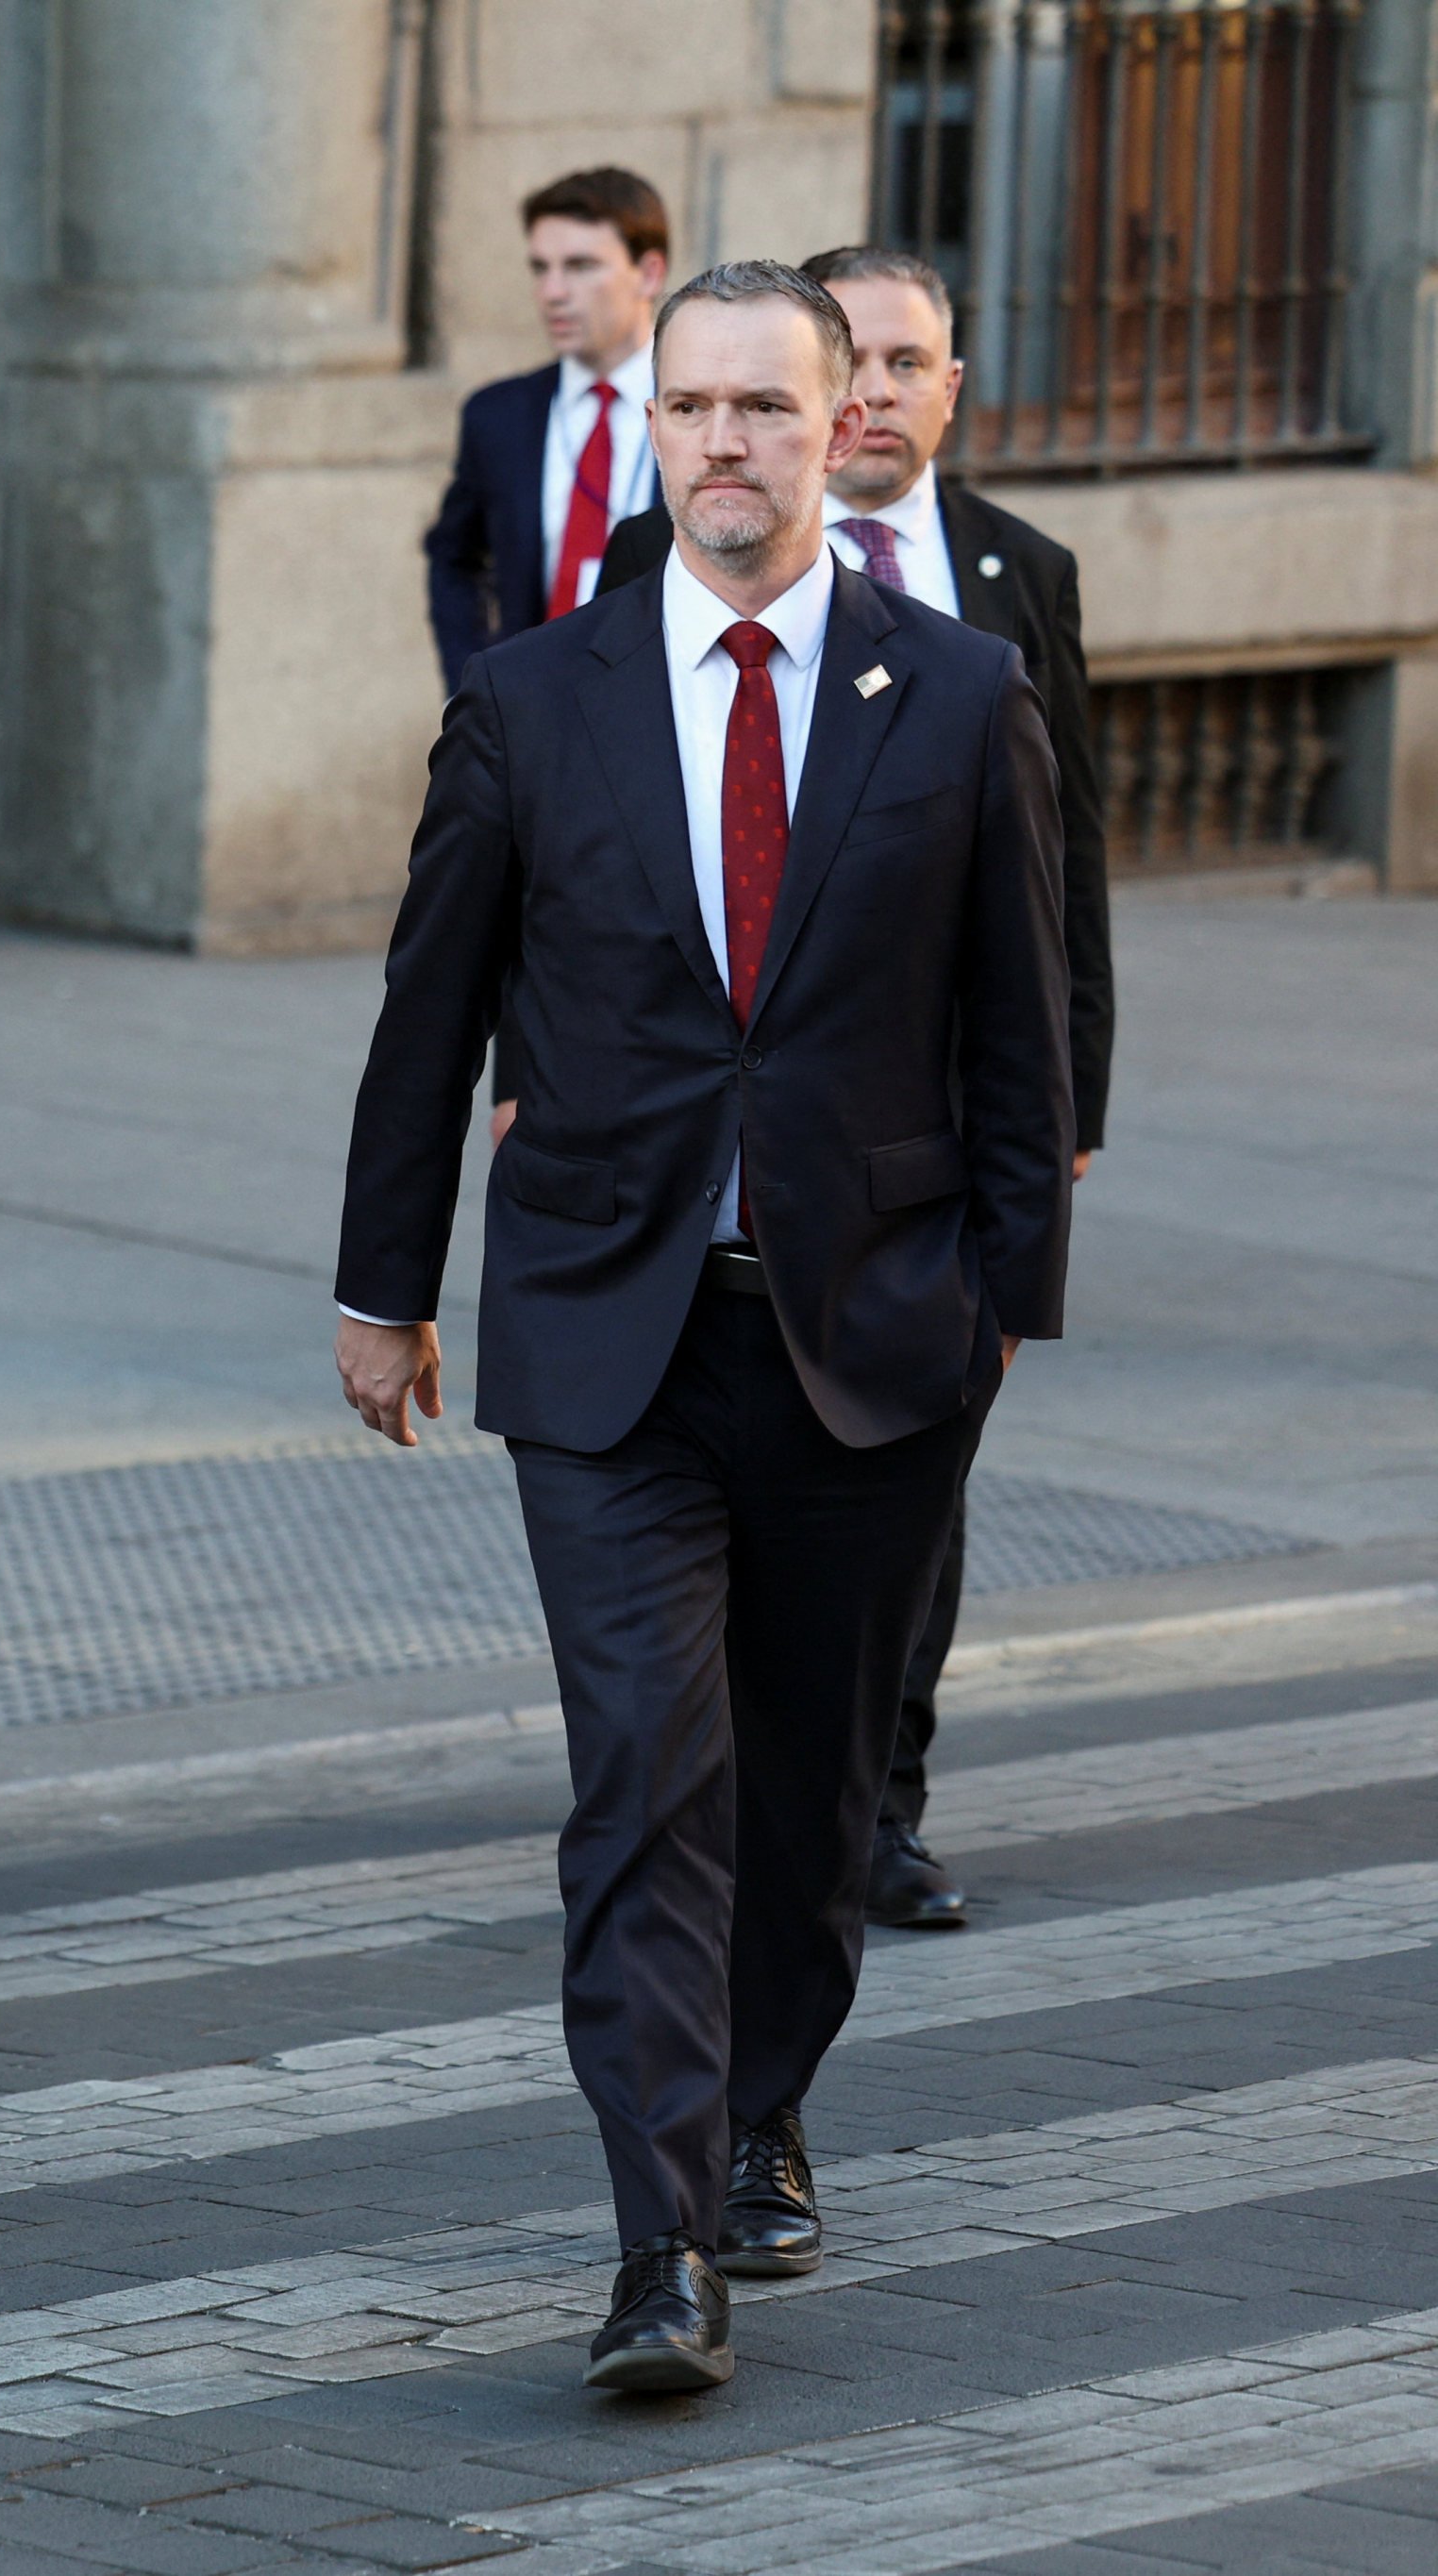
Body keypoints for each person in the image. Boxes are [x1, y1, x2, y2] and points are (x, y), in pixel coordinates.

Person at [333, 261, 1070, 2396]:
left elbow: (1015, 1025)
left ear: (841, 428)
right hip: (605, 1333)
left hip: (874, 1335)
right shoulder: (538, 700)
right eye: (695, 408)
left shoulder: (950, 697)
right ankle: (661, 2240)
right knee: (647, 1779)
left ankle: (762, 2102)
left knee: (816, 1786)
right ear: (648, 430)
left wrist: (1003, 1305)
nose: (729, 442)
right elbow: (427, 1020)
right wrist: (386, 1287)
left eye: (770, 405)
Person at [594, 243, 1113, 1938]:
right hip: (719, 1136)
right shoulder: (660, 560)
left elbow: (1065, 876)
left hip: (930, 1142)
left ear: (945, 388)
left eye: (907, 365)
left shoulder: (1011, 582)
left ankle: (874, 1800)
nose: (880, 394)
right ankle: (732, 1790)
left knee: (904, 1493)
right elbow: (584, 847)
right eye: (858, 363)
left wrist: (1066, 1119)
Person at [422, 167, 668, 694]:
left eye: (580, 267)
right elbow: (452, 556)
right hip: (532, 708)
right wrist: (472, 680)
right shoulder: (500, 414)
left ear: (648, 274)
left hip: (661, 702)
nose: (553, 292)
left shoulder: (696, 408)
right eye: (540, 268)